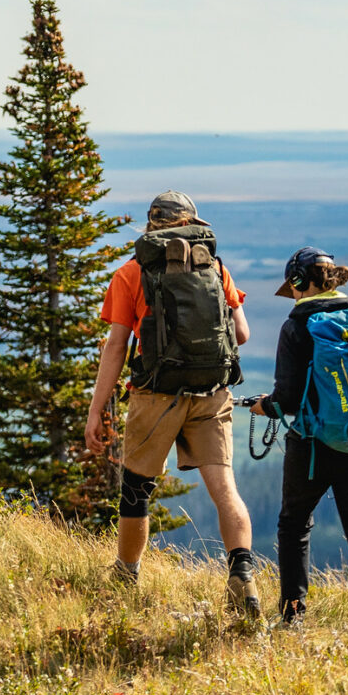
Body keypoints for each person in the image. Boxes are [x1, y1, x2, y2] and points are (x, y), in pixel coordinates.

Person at [85, 190, 261, 614]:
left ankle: (126, 574)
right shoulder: (215, 268)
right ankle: (242, 575)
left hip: (155, 395)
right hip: (211, 392)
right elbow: (241, 335)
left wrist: (97, 409)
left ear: (152, 224)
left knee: (137, 489)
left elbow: (115, 347)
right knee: (224, 489)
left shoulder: (131, 273)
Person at [250, 246, 348, 653]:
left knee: (294, 523)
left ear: (299, 283)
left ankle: (293, 613)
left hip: (315, 448)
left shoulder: (298, 327)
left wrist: (265, 406)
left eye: (293, 287)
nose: (293, 295)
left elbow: (289, 399)